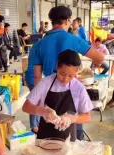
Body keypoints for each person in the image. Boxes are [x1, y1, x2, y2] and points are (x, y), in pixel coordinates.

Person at [30, 5, 103, 140]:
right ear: (68, 20)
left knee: (64, 128)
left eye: (69, 74)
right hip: (69, 89)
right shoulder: (73, 39)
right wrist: (78, 70)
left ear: (52, 21)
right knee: (75, 131)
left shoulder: (38, 45)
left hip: (49, 90)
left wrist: (42, 107)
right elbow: (100, 58)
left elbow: (37, 76)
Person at [22, 49, 93, 141]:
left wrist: (71, 118)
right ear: (57, 67)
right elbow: (26, 107)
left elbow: (87, 117)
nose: (65, 79)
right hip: (45, 137)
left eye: (70, 75)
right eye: (62, 74)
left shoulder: (79, 88)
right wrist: (43, 111)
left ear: (76, 72)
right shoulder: (45, 83)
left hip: (68, 139)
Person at [25, 41, 41, 133]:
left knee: (38, 101)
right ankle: (34, 126)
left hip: (32, 76)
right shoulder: (42, 48)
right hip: (33, 77)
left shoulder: (36, 45)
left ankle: (37, 123)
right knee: (35, 101)